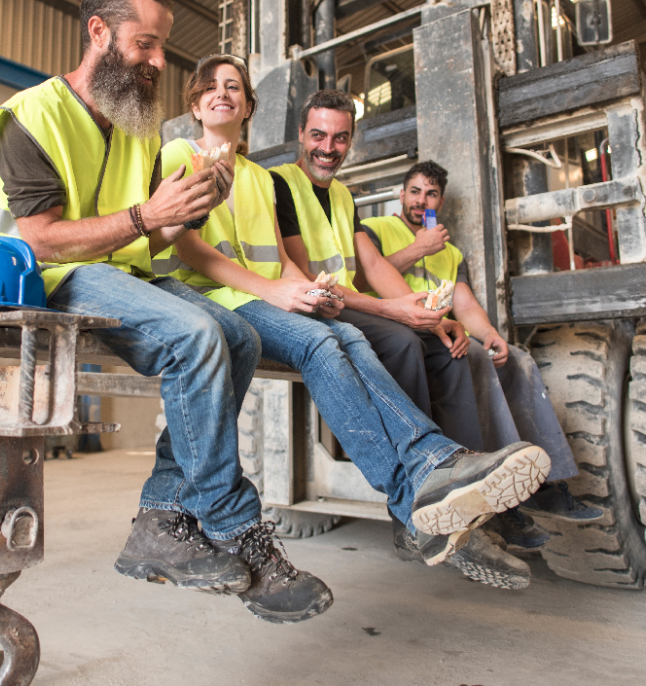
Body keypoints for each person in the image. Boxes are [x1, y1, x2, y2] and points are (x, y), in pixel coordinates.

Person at [0, 0, 335, 625]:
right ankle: (234, 523)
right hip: (33, 278)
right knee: (195, 335)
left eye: (163, 46)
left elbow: (146, 245)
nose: (160, 61)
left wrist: (184, 213)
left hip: (116, 274)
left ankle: (161, 520)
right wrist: (145, 217)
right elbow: (45, 239)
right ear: (99, 32)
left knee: (237, 334)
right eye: (146, 44)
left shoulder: (138, 128)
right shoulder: (31, 116)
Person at [154, 54, 551, 592]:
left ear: (248, 107)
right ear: (196, 101)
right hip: (218, 297)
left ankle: (436, 466)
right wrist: (280, 290)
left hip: (270, 296)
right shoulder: (179, 152)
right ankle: (416, 489)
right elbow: (191, 248)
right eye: (212, 86)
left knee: (348, 335)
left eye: (235, 88)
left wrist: (308, 290)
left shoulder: (259, 179)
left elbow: (284, 262)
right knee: (327, 342)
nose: (223, 93)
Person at [269, 90, 546, 580]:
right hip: (313, 305)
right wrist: (397, 312)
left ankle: (463, 493)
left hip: (346, 301)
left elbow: (372, 266)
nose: (328, 147)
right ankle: (413, 510)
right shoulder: (282, 184)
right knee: (401, 341)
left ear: (350, 140)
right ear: (301, 136)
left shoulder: (342, 194)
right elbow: (309, 278)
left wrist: (430, 317)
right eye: (318, 135)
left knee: (448, 349)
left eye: (339, 137)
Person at [362, 160, 603, 525]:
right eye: (414, 191)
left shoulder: (450, 250)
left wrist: (490, 334)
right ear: (401, 194)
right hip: (397, 333)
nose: (421, 200)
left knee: (513, 359)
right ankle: (496, 502)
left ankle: (544, 486)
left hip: (440, 332)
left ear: (440, 202)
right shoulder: (374, 228)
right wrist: (417, 249)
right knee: (471, 357)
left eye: (431, 194)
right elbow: (364, 275)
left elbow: (463, 300)